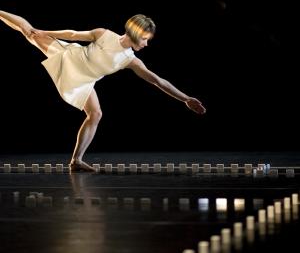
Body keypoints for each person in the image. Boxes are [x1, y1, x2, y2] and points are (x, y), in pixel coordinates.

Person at [0, 10, 206, 172]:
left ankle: (76, 160)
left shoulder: (131, 60)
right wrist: (46, 32)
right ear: (136, 33)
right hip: (68, 57)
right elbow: (73, 34)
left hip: (85, 81)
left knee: (95, 114)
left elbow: (158, 81)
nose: (146, 44)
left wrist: (185, 98)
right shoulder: (104, 34)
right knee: (28, 30)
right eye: (145, 39)